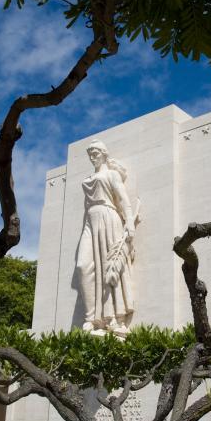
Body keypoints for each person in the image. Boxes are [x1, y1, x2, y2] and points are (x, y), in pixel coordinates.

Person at [76, 139, 135, 333]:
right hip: (89, 221)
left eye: (96, 152)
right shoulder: (87, 179)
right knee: (83, 266)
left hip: (108, 217)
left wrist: (129, 222)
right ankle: (91, 318)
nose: (93, 156)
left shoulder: (111, 174)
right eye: (90, 153)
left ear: (104, 153)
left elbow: (124, 199)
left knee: (109, 265)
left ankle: (114, 318)